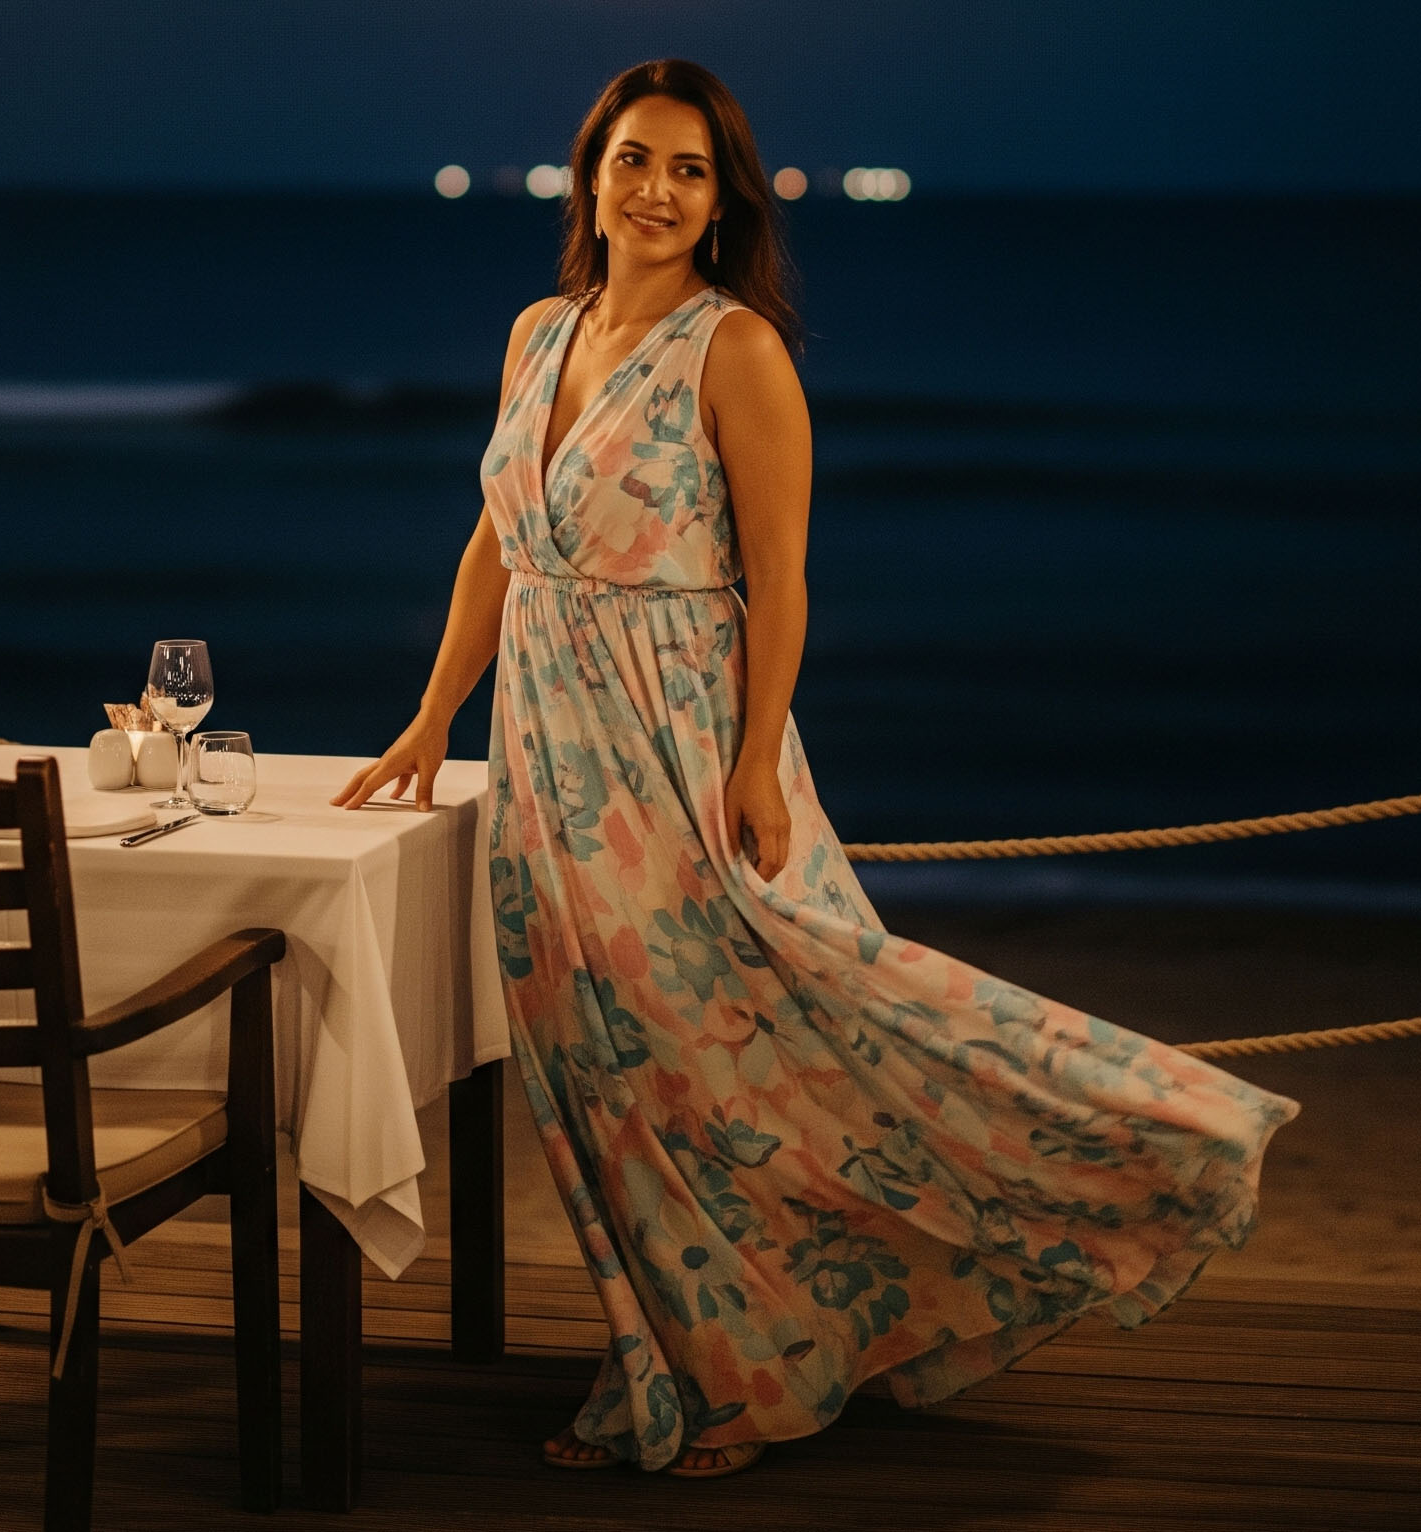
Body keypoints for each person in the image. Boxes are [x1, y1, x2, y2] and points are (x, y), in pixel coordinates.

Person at [334, 58, 1299, 1479]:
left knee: (772, 1030)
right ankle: (671, 1357)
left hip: (677, 738)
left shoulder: (738, 351)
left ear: (722, 202)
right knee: (606, 1069)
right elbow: (497, 540)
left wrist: (755, 769)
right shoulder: (539, 333)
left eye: (690, 170)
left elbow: (779, 582)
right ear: (589, 170)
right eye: (635, 159)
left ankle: (1125, 1153)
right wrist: (429, 719)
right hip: (544, 745)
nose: (656, 190)